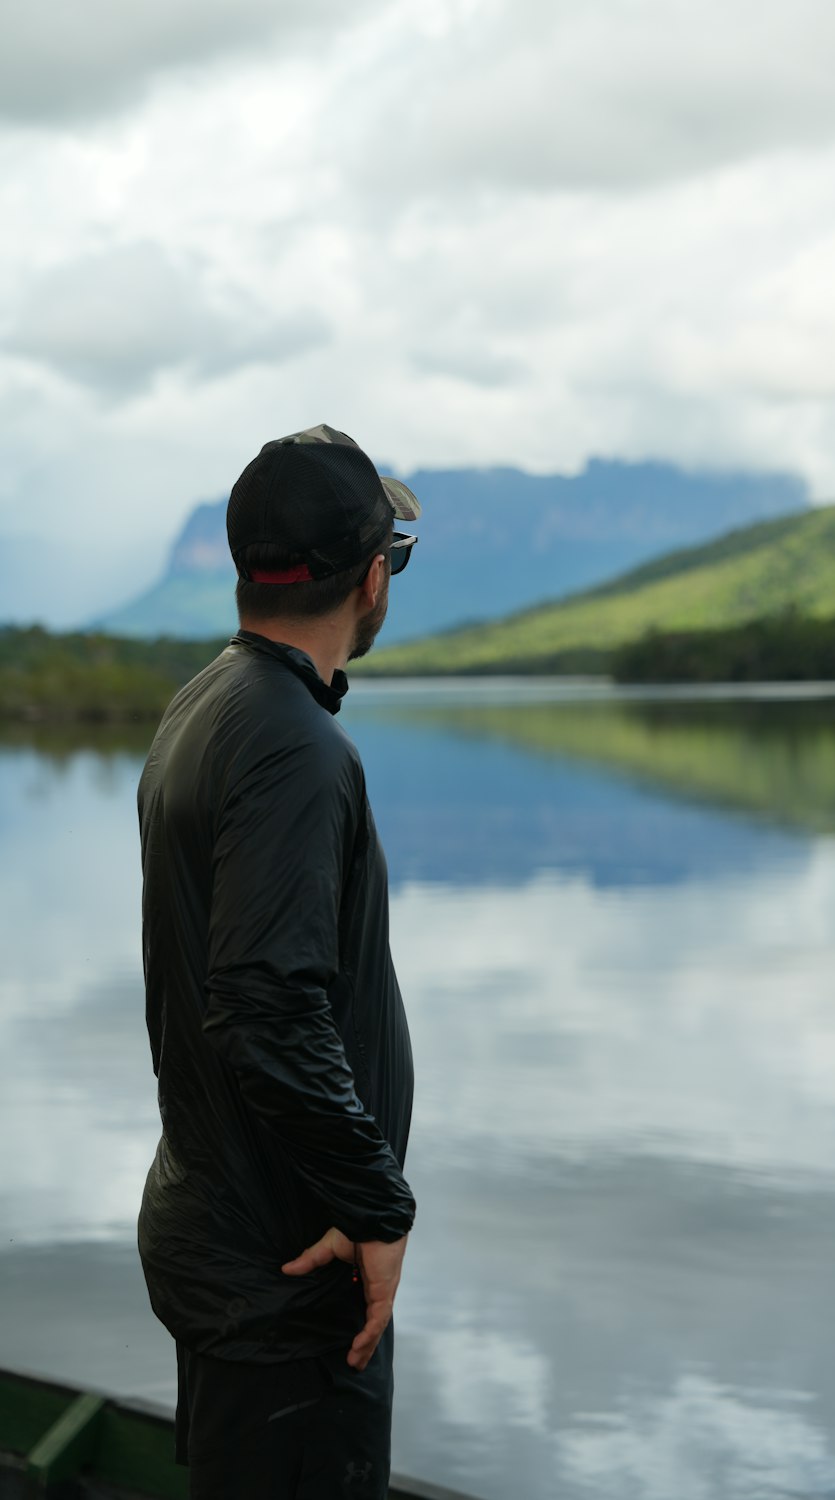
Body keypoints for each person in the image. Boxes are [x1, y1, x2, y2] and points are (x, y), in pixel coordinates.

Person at [137, 424, 421, 1499]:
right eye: (395, 555)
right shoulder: (295, 745)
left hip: (230, 1235)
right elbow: (263, 1003)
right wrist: (377, 1204)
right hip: (289, 1270)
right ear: (370, 577)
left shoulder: (211, 703)